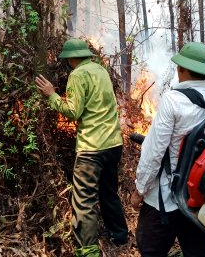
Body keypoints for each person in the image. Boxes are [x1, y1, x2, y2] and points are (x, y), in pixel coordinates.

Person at [131, 42, 205, 257]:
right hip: (200, 198)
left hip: (165, 199)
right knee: (198, 252)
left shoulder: (173, 100)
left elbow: (154, 152)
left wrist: (140, 189)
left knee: (150, 250)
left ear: (181, 69)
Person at [35, 38, 128, 257]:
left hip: (91, 148)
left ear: (72, 58)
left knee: (84, 199)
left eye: (68, 59)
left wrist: (52, 95)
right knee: (108, 193)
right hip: (114, 144)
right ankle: (119, 235)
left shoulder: (77, 75)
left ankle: (88, 250)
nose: (67, 63)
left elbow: (73, 112)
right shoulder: (101, 71)